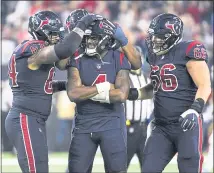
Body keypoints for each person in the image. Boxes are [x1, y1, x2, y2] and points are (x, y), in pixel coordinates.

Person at [5, 10, 103, 173]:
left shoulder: (38, 53)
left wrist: (68, 85)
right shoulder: (32, 47)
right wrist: (82, 24)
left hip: (33, 119)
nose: (57, 37)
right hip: (25, 118)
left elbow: (45, 84)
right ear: (40, 32)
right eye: (53, 33)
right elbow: (64, 50)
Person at [127, 13, 211, 173]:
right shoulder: (153, 55)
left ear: (173, 36)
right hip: (161, 127)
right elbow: (159, 86)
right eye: (153, 37)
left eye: (159, 37)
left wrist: (195, 109)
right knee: (148, 169)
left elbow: (205, 85)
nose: (154, 41)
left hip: (186, 124)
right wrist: (136, 94)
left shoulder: (189, 49)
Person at [65, 9, 139, 173]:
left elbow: (121, 94)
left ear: (104, 38)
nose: (88, 42)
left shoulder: (118, 56)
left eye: (92, 38)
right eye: (86, 38)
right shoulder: (76, 57)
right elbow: (73, 93)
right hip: (84, 124)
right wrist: (103, 87)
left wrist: (87, 91)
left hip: (112, 123)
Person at [125, 46, 153, 171]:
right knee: (120, 166)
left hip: (145, 129)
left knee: (149, 166)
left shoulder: (147, 78)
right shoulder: (123, 78)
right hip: (127, 128)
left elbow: (152, 103)